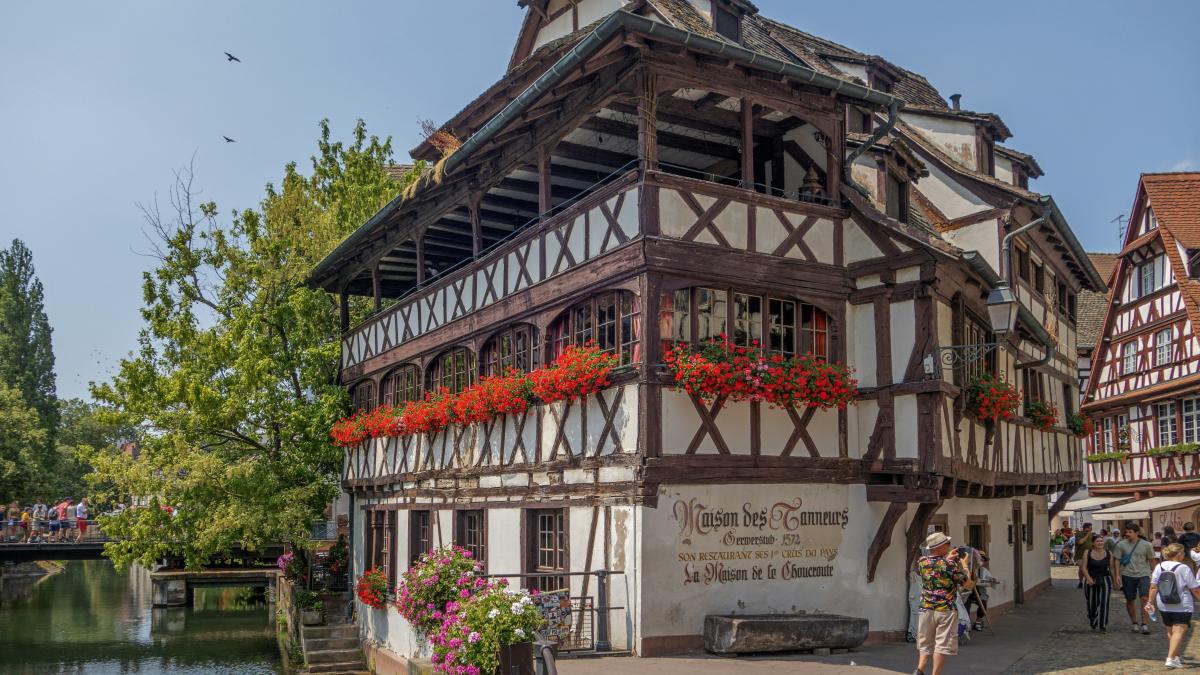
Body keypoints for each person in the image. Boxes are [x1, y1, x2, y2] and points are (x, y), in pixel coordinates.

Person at [914, 532, 967, 675]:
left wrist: (946, 559)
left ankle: (919, 671)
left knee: (925, 644)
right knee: (941, 646)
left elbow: (937, 567)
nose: (949, 546)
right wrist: (965, 566)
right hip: (945, 610)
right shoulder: (950, 565)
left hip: (926, 608)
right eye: (947, 544)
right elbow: (967, 583)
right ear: (940, 547)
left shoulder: (922, 562)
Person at [1146, 543, 1200, 669]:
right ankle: (1170, 658)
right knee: (1179, 630)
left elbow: (1153, 587)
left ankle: (1175, 656)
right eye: (1183, 553)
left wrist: (1150, 602)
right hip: (1181, 604)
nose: (1185, 555)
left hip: (1163, 603)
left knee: (1171, 630)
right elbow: (1195, 589)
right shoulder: (1183, 568)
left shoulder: (1159, 566)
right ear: (1179, 554)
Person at [1115, 521, 1157, 634]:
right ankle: (1134, 623)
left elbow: (1152, 560)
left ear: (1137, 533)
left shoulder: (1146, 545)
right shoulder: (1121, 545)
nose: (1127, 534)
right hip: (1127, 575)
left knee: (1144, 598)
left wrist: (1155, 575)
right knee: (1130, 599)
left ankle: (1144, 623)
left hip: (1143, 574)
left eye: (1130, 532)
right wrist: (1117, 575)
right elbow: (1117, 560)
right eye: (1126, 531)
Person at [1081, 532, 1114, 632]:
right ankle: (1092, 618)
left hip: (1104, 578)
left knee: (1104, 602)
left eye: (1101, 541)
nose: (1100, 543)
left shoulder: (1108, 553)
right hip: (1091, 579)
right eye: (1097, 541)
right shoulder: (1087, 552)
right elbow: (1084, 568)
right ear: (1093, 543)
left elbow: (1111, 568)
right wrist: (1088, 578)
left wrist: (1116, 580)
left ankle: (1102, 625)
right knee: (1092, 603)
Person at [963, 551, 996, 632]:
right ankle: (967, 624)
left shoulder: (983, 570)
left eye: (983, 560)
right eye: (980, 559)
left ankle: (978, 620)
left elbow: (990, 579)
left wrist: (992, 580)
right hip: (969, 591)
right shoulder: (968, 569)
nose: (981, 561)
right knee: (965, 605)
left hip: (980, 592)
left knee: (983, 604)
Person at [1073, 523, 1094, 588]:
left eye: (1091, 528)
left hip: (1090, 555)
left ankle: (1088, 581)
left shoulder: (1092, 535)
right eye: (1089, 528)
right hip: (1080, 555)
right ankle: (1081, 582)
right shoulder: (1079, 534)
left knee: (1089, 569)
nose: (1091, 529)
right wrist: (1087, 535)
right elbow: (1080, 542)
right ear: (1085, 528)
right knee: (1082, 569)